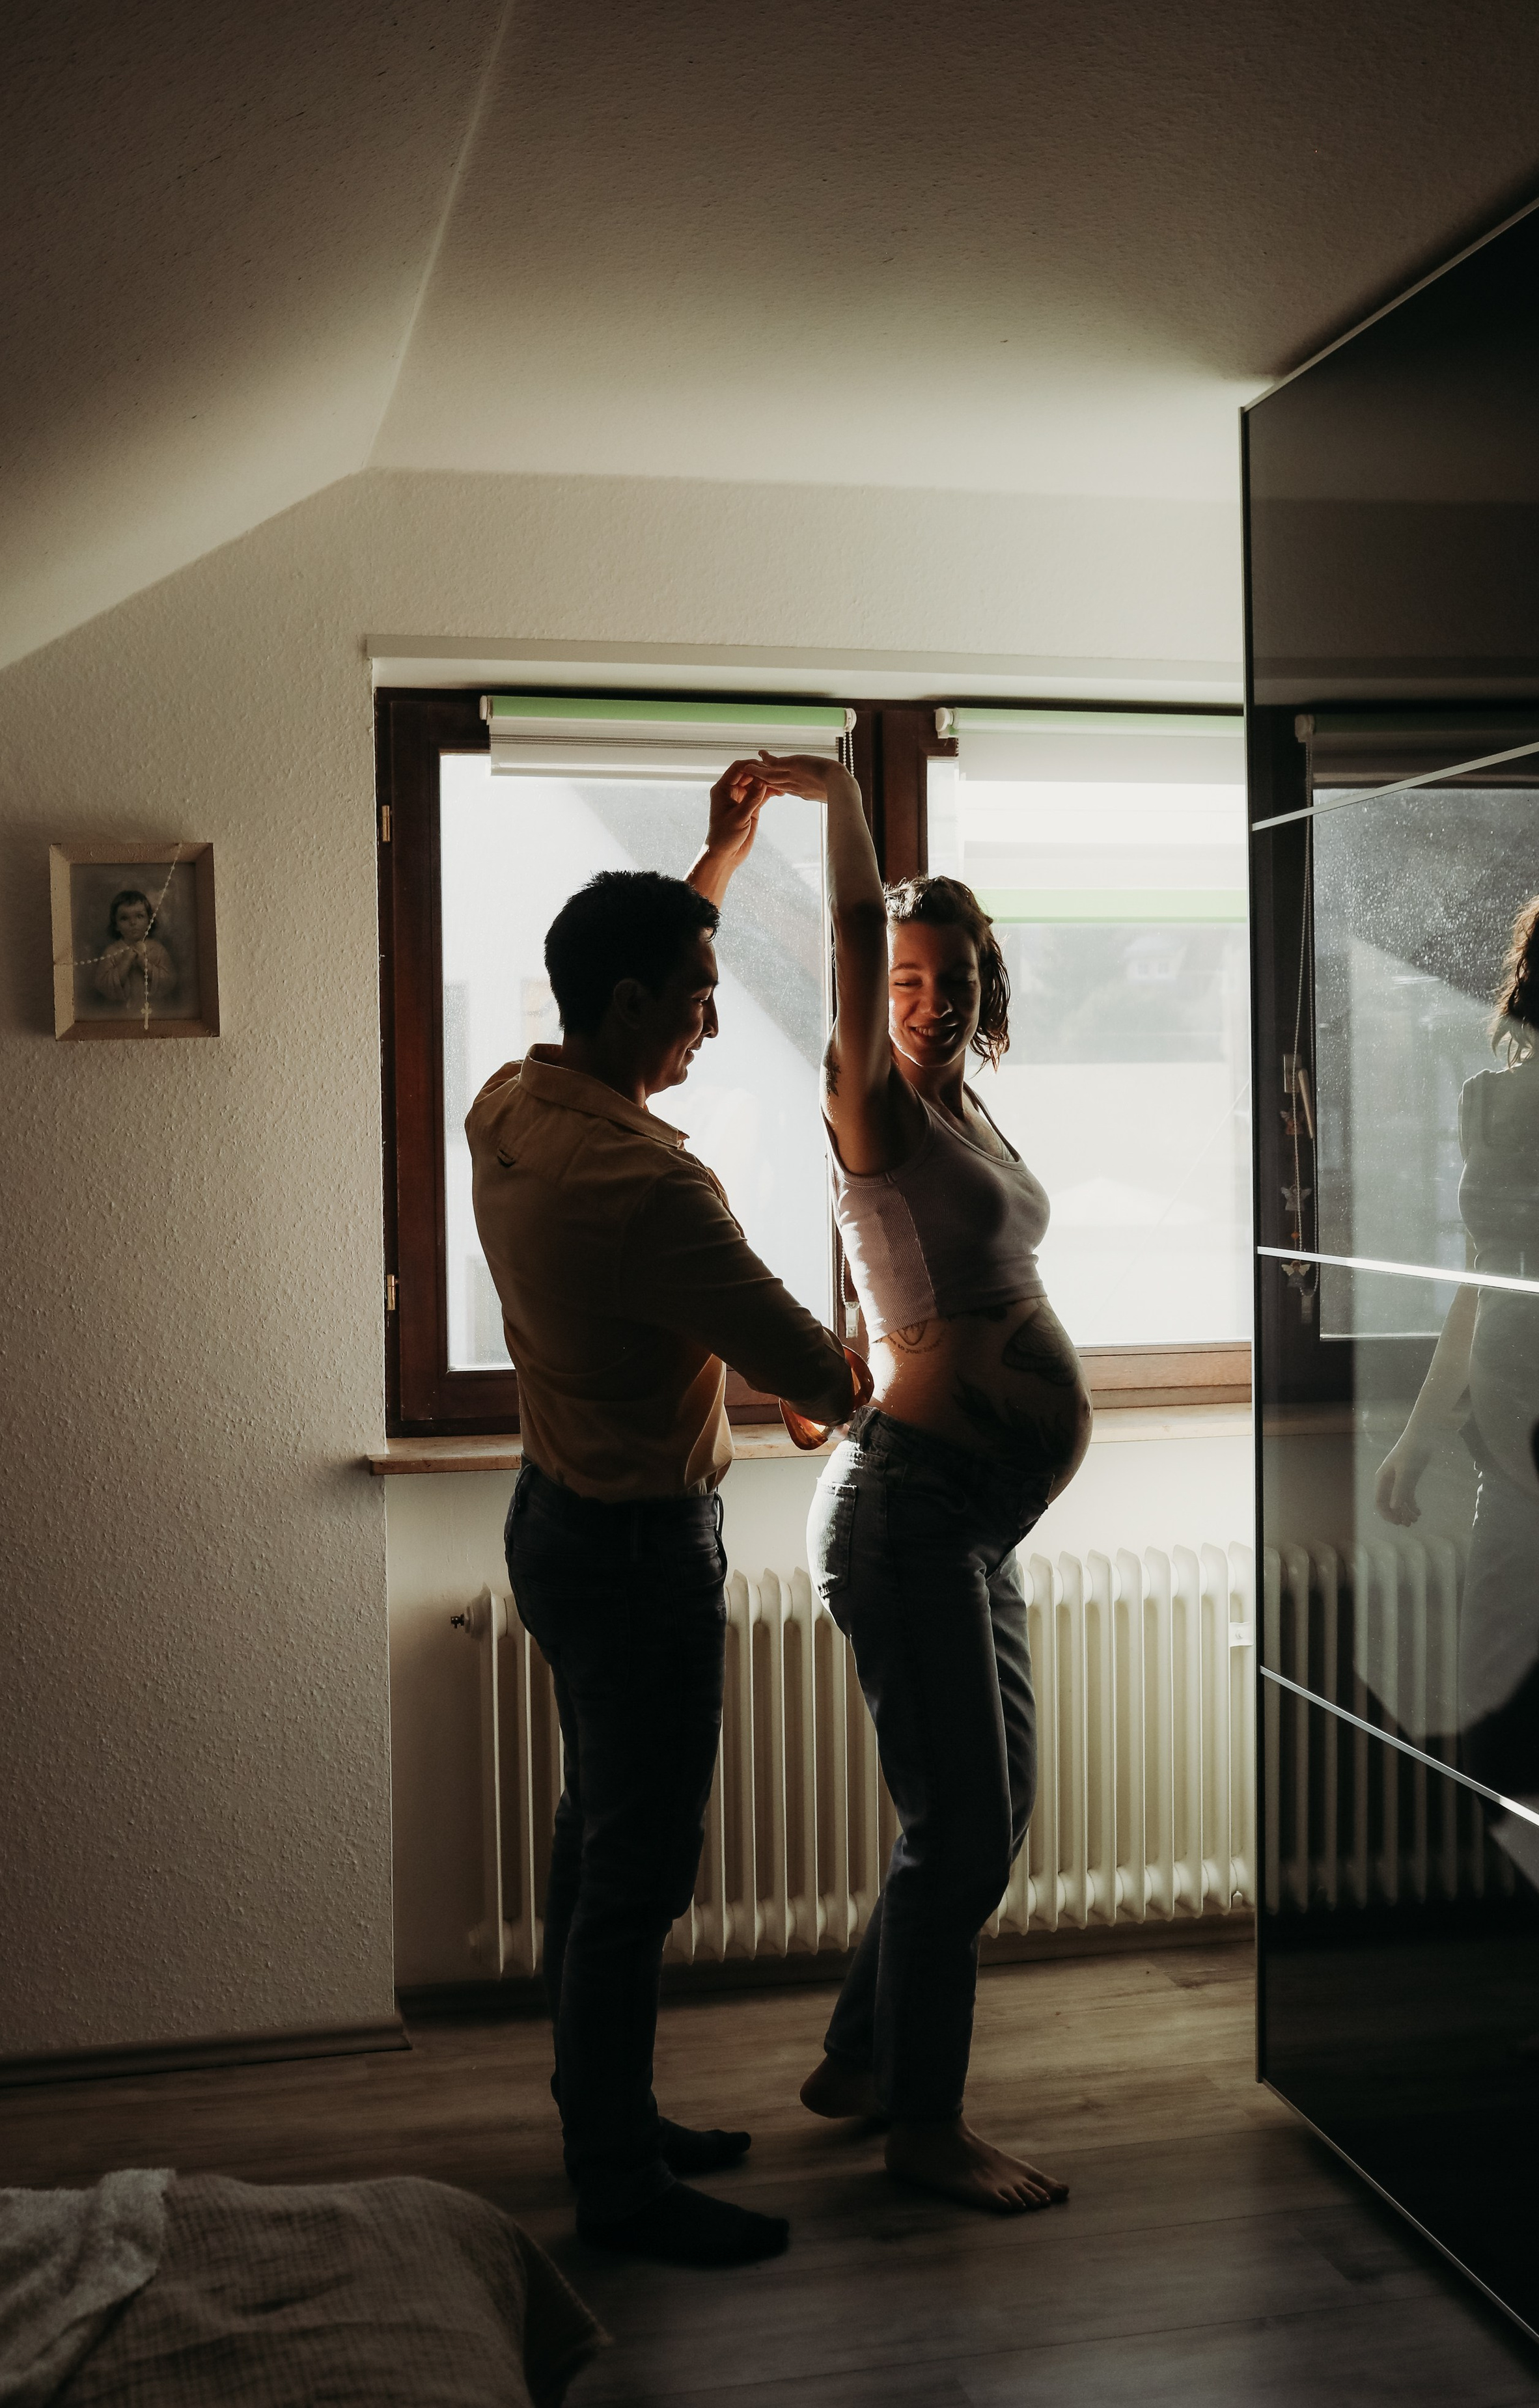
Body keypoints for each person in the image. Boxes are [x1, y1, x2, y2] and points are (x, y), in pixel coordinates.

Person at [467, 766, 870, 2268]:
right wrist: (846, 1384)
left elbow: (631, 972)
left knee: (594, 1841)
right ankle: (620, 2188)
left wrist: (715, 863)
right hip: (638, 1553)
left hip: (551, 1523)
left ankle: (607, 2119)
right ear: (633, 1006)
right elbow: (815, 1368)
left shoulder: (509, 1104)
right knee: (634, 1878)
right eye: (695, 999)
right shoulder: (651, 1188)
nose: (713, 1019)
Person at [753, 748, 1088, 2214]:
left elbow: (921, 1279)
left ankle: (855, 2051)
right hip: (907, 1513)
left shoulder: (963, 1107)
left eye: (952, 973)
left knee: (993, 1808)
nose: (928, 995)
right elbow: (843, 938)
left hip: (972, 1512)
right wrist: (834, 783)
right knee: (958, 1826)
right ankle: (921, 2123)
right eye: (902, 974)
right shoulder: (868, 1095)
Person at [1375, 894, 1539, 1880]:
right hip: (1510, 1465)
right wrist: (1419, 1438)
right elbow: (1478, 1284)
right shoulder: (1493, 1097)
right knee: (1501, 1730)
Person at [95, 888, 176, 1007]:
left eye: (139, 916)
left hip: (154, 1010)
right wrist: (126, 962)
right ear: (116, 925)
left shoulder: (157, 949)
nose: (133, 922)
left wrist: (145, 965)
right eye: (124, 918)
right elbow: (103, 985)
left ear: (149, 920)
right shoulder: (112, 952)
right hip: (122, 1012)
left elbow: (170, 981)